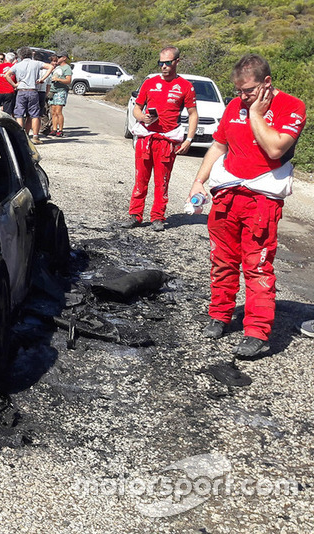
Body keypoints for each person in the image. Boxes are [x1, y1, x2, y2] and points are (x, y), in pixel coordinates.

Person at [188, 53, 306, 357]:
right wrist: (198, 182)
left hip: (261, 200)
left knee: (257, 266)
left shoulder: (291, 107)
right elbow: (219, 145)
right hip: (228, 195)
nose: (242, 97)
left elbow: (275, 147)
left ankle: (257, 332)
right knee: (222, 259)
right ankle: (219, 315)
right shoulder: (234, 106)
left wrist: (255, 112)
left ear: (267, 82)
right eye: (239, 92)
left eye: (249, 91)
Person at [122, 46, 198, 232]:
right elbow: (137, 107)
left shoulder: (185, 86)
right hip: (146, 139)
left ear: (177, 62)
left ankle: (158, 217)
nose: (163, 66)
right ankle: (135, 215)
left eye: (167, 63)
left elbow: (193, 113)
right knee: (141, 179)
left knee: (162, 181)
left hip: (167, 141)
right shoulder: (150, 83)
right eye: (160, 63)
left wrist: (188, 139)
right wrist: (141, 117)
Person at [4, 46, 52, 144]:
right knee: (34, 114)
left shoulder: (17, 65)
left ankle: (20, 136)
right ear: (30, 55)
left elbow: (6, 75)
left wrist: (14, 84)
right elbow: (50, 67)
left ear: (21, 56)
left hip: (21, 90)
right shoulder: (36, 63)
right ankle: (35, 136)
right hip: (33, 90)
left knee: (19, 114)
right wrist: (42, 79)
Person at [48, 52, 72, 137]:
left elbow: (68, 81)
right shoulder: (57, 67)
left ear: (64, 58)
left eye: (59, 57)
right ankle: (54, 129)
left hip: (61, 90)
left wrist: (58, 79)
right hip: (53, 90)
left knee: (58, 111)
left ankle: (60, 130)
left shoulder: (67, 68)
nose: (57, 58)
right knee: (53, 111)